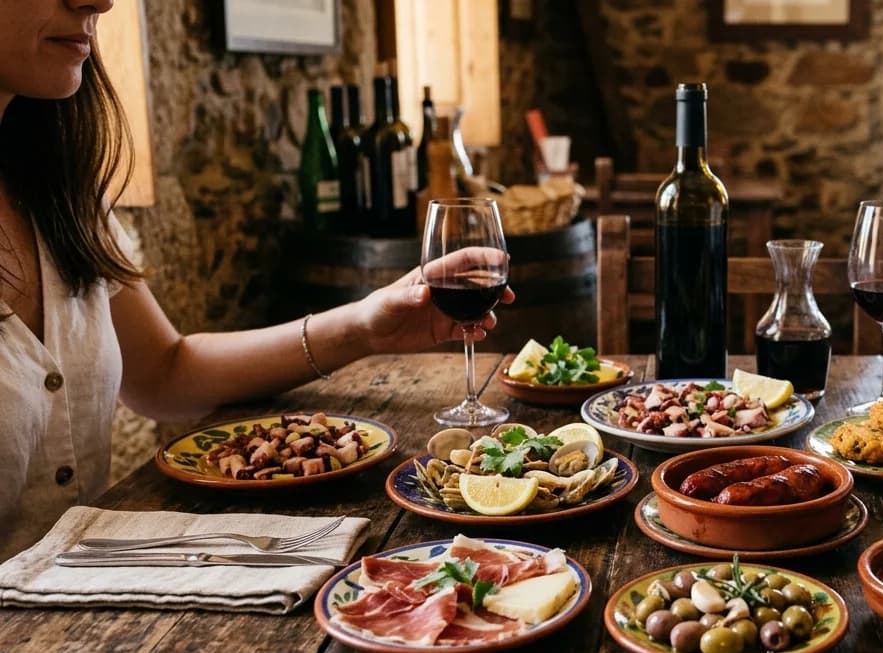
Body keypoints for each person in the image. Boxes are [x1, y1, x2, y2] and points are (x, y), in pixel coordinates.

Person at [0, 0, 514, 558]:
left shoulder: (66, 199)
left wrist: (366, 326)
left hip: (88, 607)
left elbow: (166, 373)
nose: (99, 1)